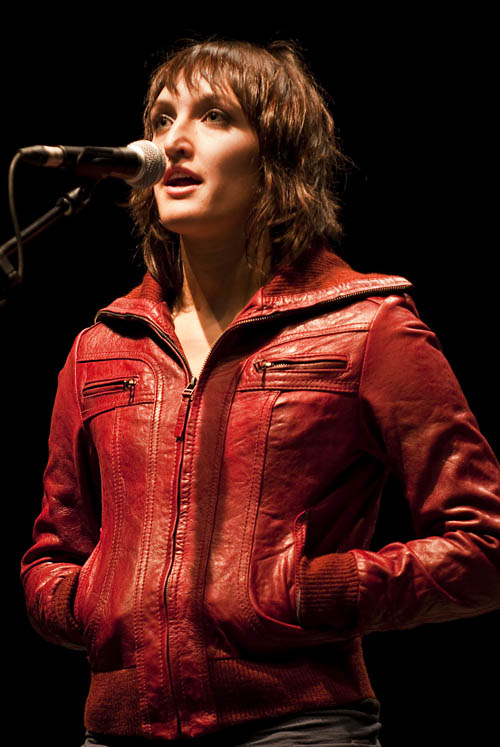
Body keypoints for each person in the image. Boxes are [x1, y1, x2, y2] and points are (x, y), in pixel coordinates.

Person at [21, 39, 500, 746]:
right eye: (161, 118)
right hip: (117, 731)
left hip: (297, 725)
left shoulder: (368, 327)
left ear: (278, 157)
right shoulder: (101, 346)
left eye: (215, 116)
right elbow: (52, 554)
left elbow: (484, 546)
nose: (172, 142)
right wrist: (92, 602)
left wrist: (310, 591)